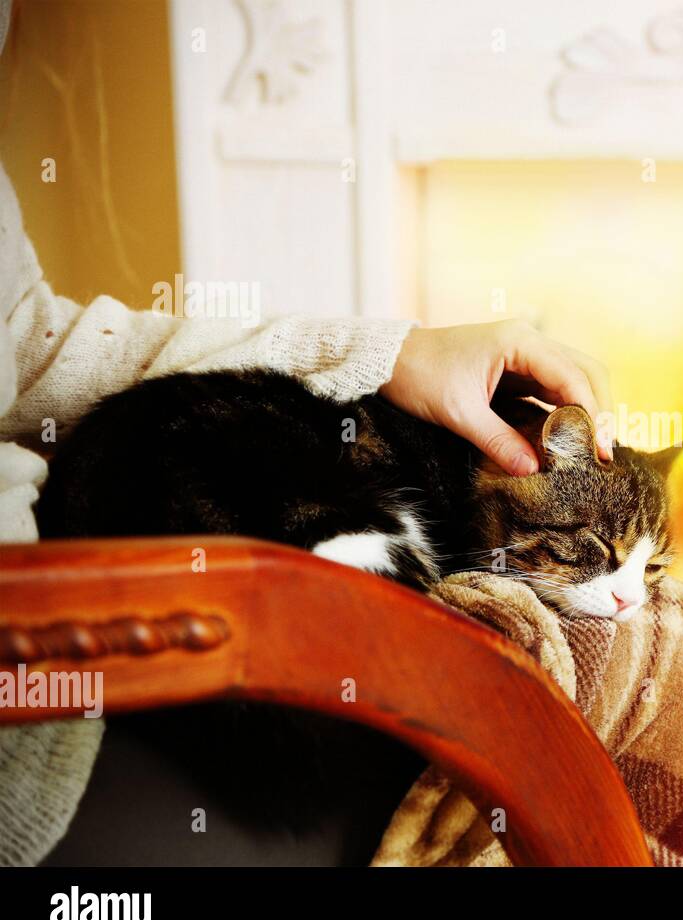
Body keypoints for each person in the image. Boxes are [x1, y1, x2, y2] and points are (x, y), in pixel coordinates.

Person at [0, 0, 615, 866]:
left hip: (93, 590)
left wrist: (391, 352)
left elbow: (22, 342)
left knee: (657, 637)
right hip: (42, 719)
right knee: (599, 687)